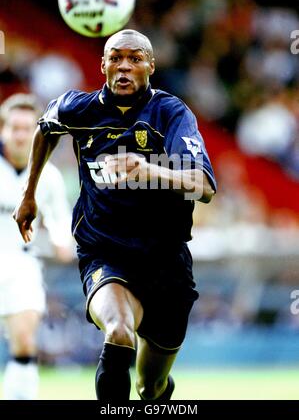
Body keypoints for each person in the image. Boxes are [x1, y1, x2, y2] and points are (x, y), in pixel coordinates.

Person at [13, 29, 217, 401]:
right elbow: (47, 128)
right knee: (119, 331)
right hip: (104, 251)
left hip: (166, 262)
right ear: (102, 64)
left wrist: (151, 170)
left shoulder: (170, 113)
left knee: (150, 386)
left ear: (150, 66)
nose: (124, 67)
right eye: (116, 58)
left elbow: (202, 186)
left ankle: (154, 387)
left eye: (135, 59)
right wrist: (29, 195)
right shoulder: (79, 108)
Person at [0, 93, 73, 400]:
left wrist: (62, 242)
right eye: (13, 128)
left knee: (25, 341)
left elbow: (60, 223)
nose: (19, 135)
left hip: (21, 263)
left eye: (27, 128)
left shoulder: (49, 177)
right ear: (2, 129)